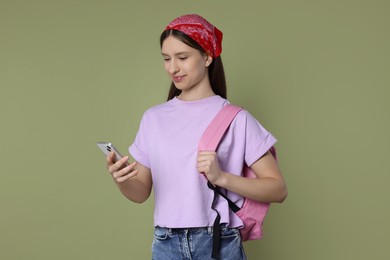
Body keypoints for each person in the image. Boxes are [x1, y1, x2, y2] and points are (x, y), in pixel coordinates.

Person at [106, 14, 287, 260]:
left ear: (207, 56)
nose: (173, 68)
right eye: (166, 59)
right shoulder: (154, 118)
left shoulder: (236, 119)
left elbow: (277, 189)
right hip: (166, 242)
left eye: (182, 57)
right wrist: (121, 179)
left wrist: (222, 177)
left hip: (218, 242)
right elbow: (140, 193)